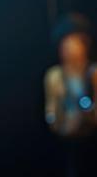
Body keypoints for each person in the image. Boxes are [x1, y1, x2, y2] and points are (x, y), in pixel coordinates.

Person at [44, 13, 97, 177]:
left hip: (92, 138)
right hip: (66, 141)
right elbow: (51, 111)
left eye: (74, 42)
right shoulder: (55, 76)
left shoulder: (93, 73)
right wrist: (59, 124)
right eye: (65, 44)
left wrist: (87, 114)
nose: (69, 49)